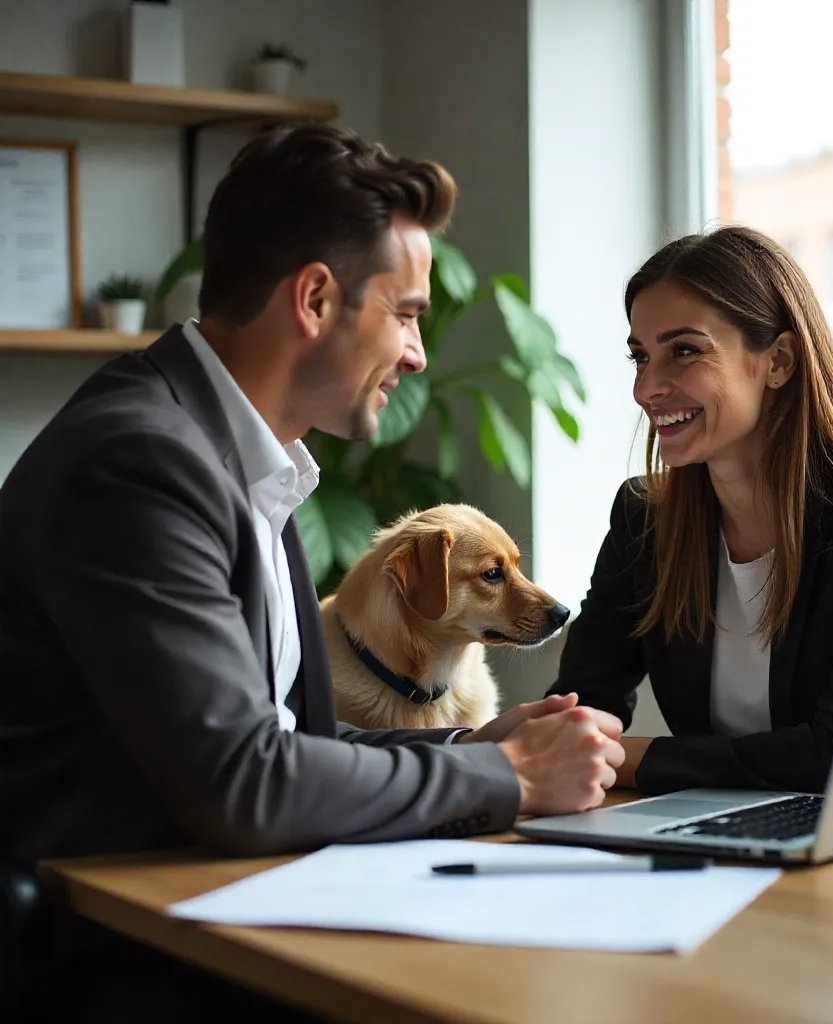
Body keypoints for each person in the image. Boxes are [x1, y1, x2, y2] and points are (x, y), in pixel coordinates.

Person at [0, 124, 623, 1020]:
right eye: (406, 314)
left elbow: (295, 744)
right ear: (317, 299)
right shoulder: (141, 462)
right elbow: (246, 782)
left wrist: (473, 748)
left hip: (214, 911)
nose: (417, 354)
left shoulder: (242, 459)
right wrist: (514, 778)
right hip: (116, 958)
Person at [547, 225, 833, 797]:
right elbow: (577, 712)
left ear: (779, 361)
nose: (647, 388)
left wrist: (625, 760)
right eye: (640, 357)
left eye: (683, 351)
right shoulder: (645, 520)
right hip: (718, 826)